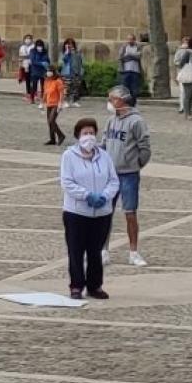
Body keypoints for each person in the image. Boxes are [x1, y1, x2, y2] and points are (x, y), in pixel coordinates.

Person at [59, 118, 119, 300]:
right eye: (85, 133)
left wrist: (105, 196)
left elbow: (113, 180)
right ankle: (76, 285)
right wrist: (86, 195)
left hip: (101, 213)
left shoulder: (104, 156)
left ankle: (95, 286)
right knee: (76, 250)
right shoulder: (69, 156)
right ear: (78, 135)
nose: (89, 137)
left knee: (95, 251)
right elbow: (67, 182)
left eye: (92, 133)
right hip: (76, 212)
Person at [104, 86, 151, 267]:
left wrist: (137, 164)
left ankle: (133, 252)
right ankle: (103, 250)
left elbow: (145, 147)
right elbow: (104, 142)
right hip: (111, 174)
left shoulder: (136, 121)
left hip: (129, 174)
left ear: (122, 100)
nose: (109, 102)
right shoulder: (110, 121)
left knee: (130, 213)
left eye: (112, 99)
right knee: (105, 212)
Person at [174, 37, 192, 117]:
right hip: (189, 76)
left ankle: (190, 112)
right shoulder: (188, 52)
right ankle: (187, 113)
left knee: (191, 95)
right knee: (187, 95)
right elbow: (181, 63)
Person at [42, 67, 66, 146]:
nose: (48, 72)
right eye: (48, 71)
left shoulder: (58, 81)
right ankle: (52, 139)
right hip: (49, 104)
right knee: (49, 122)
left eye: (50, 71)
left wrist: (60, 103)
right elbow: (45, 93)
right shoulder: (47, 81)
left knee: (52, 120)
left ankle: (61, 135)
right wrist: (42, 102)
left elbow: (61, 93)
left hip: (56, 104)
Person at [117, 33, 144, 103]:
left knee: (134, 90)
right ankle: (125, 104)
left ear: (134, 40)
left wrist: (129, 55)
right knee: (125, 89)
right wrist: (132, 56)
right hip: (125, 71)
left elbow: (139, 56)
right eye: (128, 39)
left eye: (131, 39)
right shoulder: (124, 47)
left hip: (135, 71)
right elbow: (121, 57)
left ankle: (133, 104)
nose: (129, 41)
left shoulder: (138, 47)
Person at [59, 37, 83, 108]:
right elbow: (63, 61)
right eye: (68, 44)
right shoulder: (64, 53)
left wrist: (81, 71)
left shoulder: (77, 53)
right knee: (67, 88)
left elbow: (80, 62)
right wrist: (67, 52)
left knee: (75, 88)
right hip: (67, 72)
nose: (70, 45)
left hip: (75, 72)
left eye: (71, 44)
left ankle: (73, 101)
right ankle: (65, 101)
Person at [27, 36, 50, 105]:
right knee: (34, 86)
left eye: (41, 46)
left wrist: (45, 63)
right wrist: (41, 63)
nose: (39, 47)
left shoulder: (45, 51)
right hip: (35, 71)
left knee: (44, 86)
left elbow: (47, 60)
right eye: (38, 46)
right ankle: (32, 98)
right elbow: (33, 61)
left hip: (43, 71)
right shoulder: (32, 51)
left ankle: (43, 98)